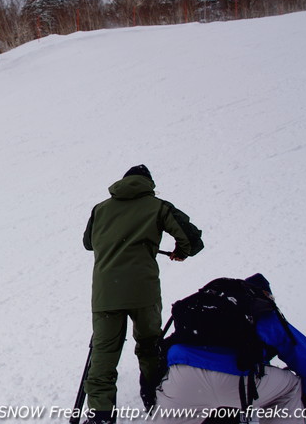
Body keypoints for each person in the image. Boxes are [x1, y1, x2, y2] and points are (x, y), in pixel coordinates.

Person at [81, 164, 204, 424]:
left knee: (104, 354)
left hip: (106, 294)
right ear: (148, 184)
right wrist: (180, 251)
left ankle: (101, 414)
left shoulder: (100, 209)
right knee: (149, 346)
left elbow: (88, 243)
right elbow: (191, 239)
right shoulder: (157, 206)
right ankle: (156, 398)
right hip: (143, 292)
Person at [155, 273, 306, 424]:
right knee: (290, 387)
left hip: (181, 379)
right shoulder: (262, 314)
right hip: (236, 383)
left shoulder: (204, 313)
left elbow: (164, 352)